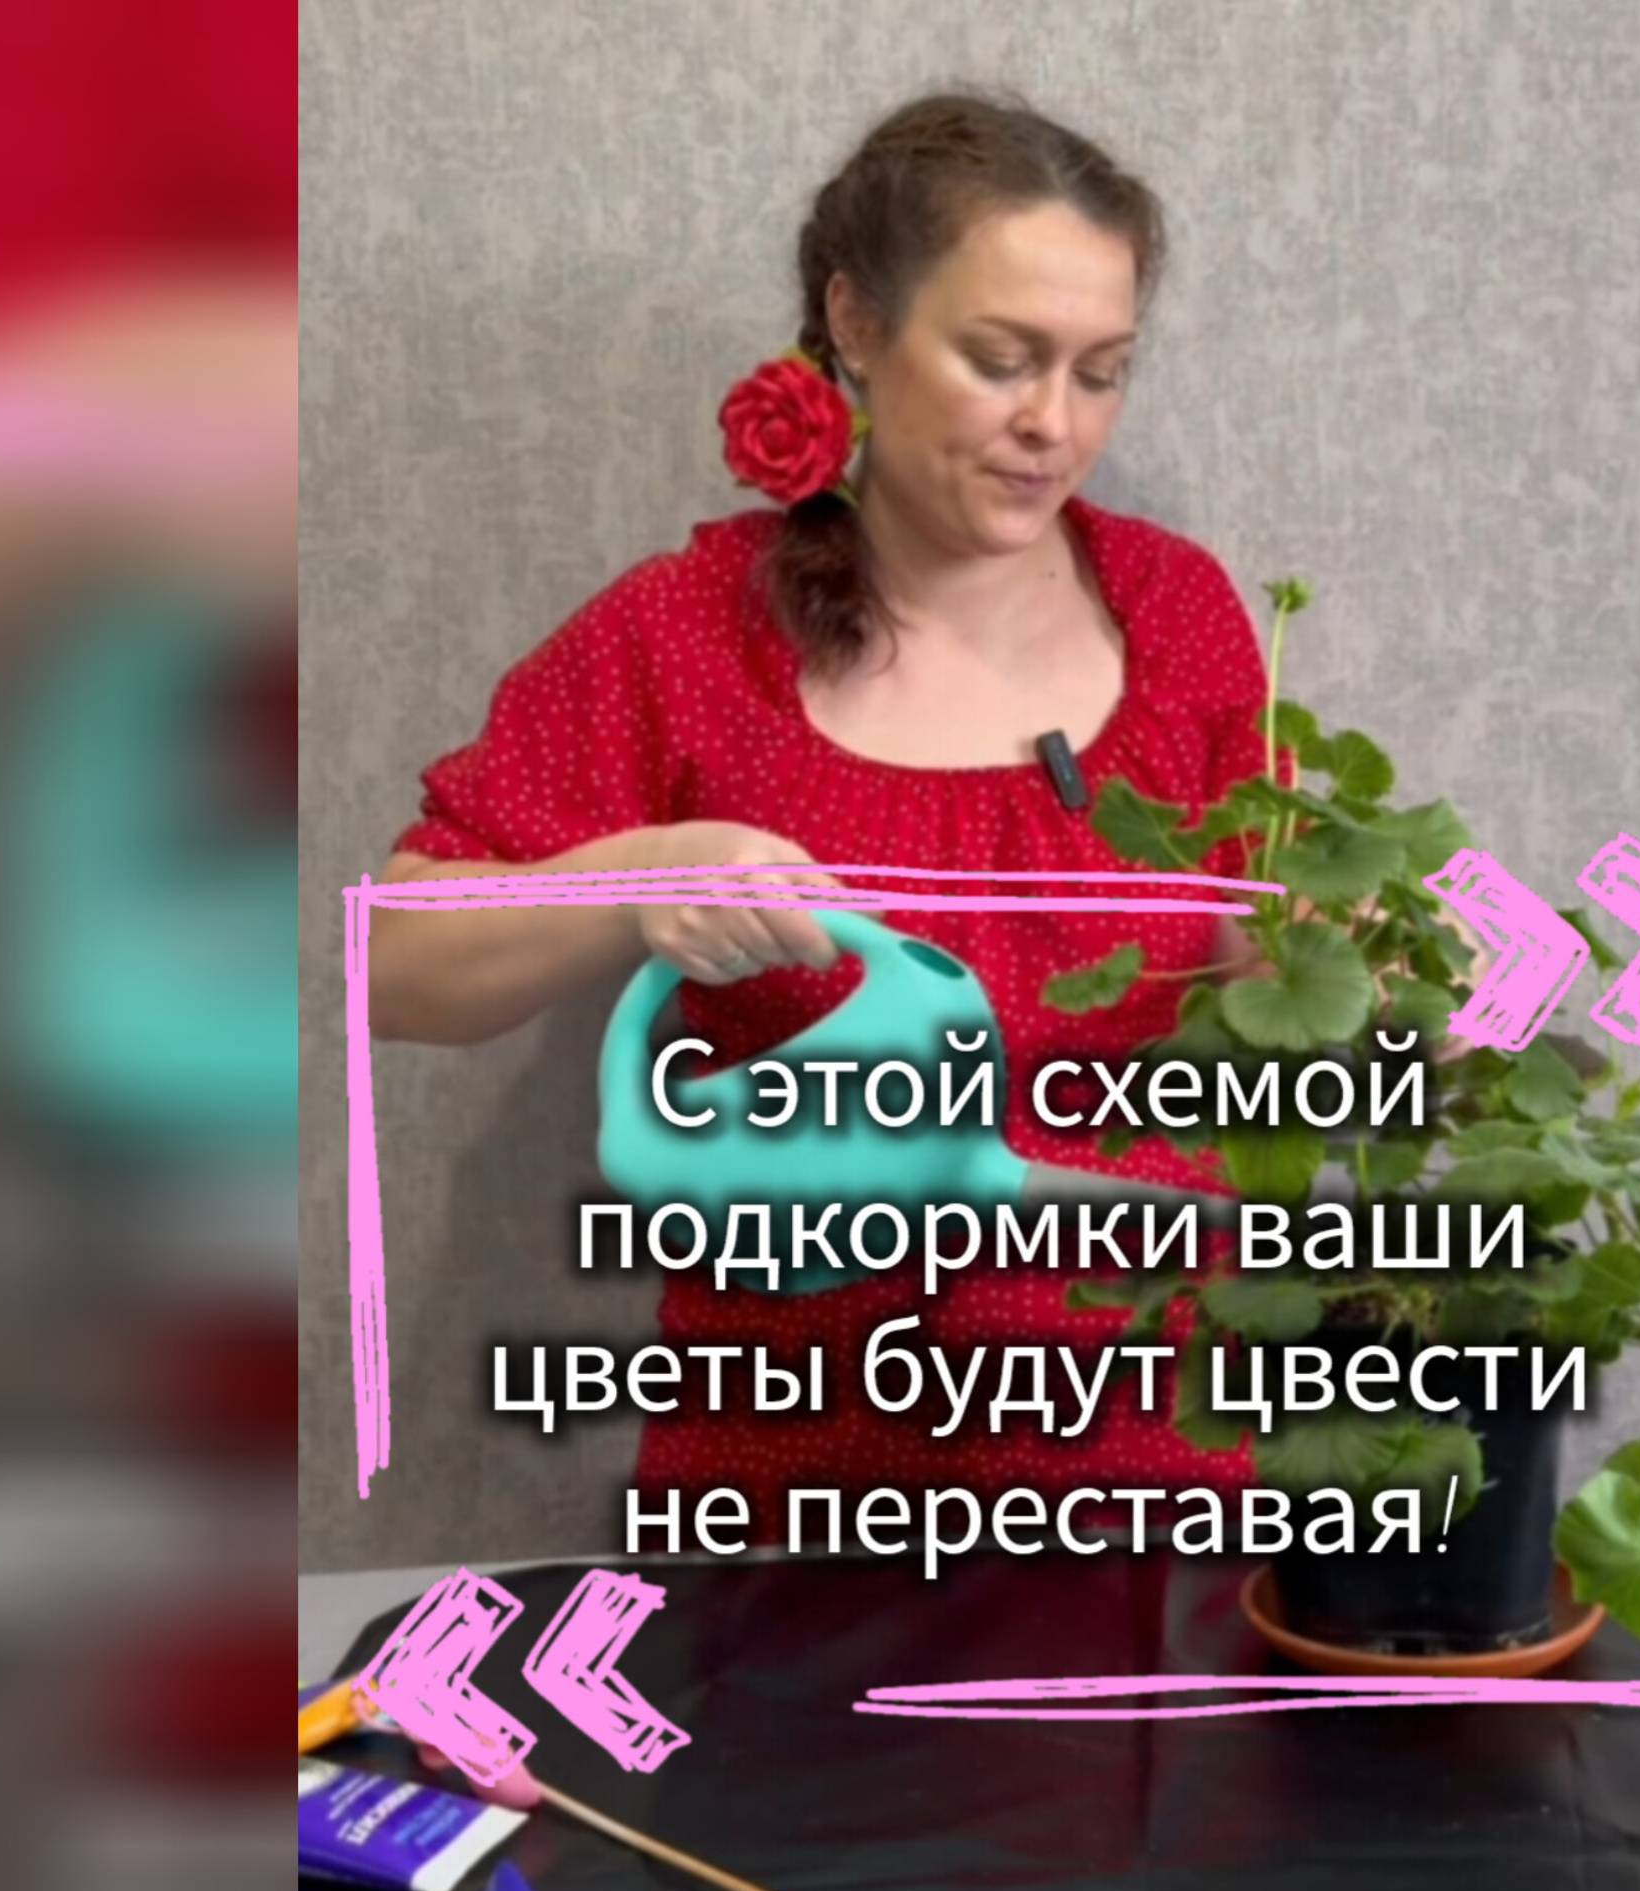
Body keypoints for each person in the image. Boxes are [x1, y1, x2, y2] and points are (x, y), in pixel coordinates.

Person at [367, 92, 1275, 1521]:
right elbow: (391, 961)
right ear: (856, 322)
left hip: (1162, 1482)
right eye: (1001, 360)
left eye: (1101, 373)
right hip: (798, 1498)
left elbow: (1265, 965)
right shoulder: (687, 637)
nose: (1053, 424)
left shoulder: (1182, 614)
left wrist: (1388, 982)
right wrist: (638, 877)